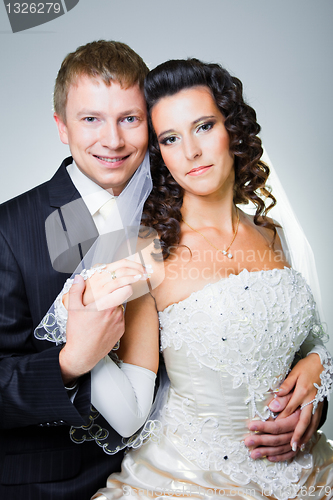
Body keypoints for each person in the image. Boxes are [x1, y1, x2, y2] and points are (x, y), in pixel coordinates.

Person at [79, 59, 332, 499]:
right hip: (190, 479)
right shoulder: (145, 251)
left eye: (203, 127)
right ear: (159, 155)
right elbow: (130, 411)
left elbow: (309, 342)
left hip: (309, 472)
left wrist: (320, 371)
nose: (191, 152)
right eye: (171, 139)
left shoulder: (274, 234)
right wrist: (78, 335)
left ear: (232, 128)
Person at [0, 40, 152, 500]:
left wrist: (315, 387)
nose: (113, 140)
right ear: (61, 127)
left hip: (177, 470)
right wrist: (70, 363)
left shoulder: (183, 210)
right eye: (91, 119)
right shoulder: (10, 229)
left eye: (130, 118)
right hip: (54, 483)